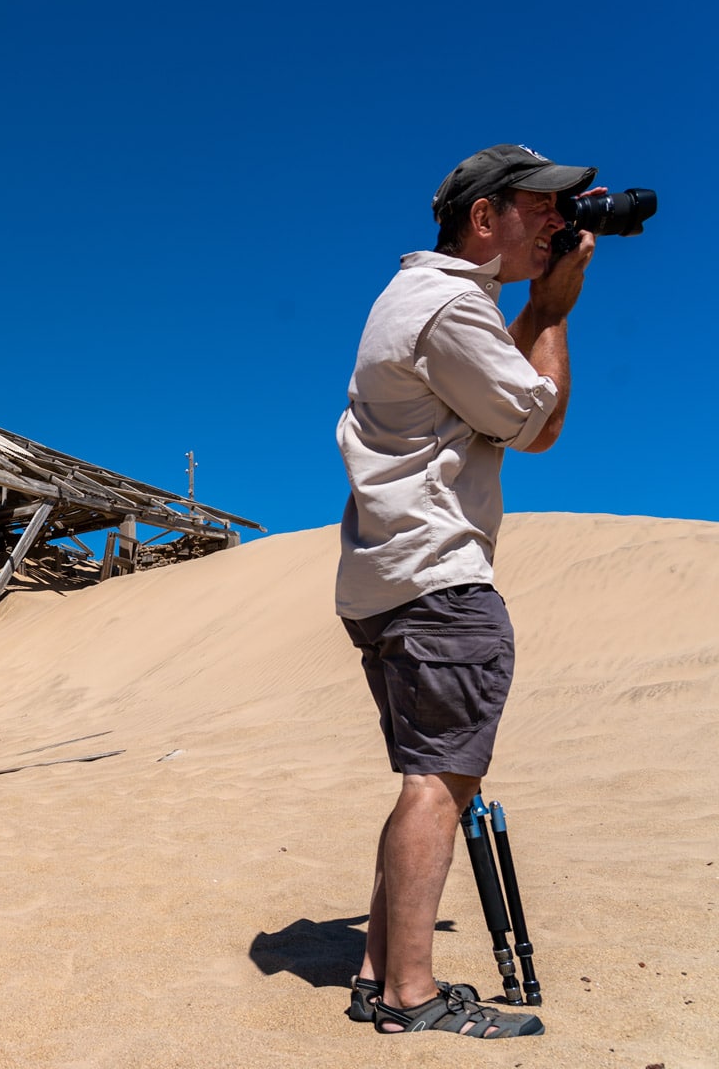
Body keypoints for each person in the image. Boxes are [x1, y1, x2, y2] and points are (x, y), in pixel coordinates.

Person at [335, 144, 602, 1038]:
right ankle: (412, 995)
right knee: (441, 786)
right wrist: (554, 310)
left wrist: (524, 309)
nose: (559, 225)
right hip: (441, 579)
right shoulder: (454, 305)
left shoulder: (414, 297)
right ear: (483, 220)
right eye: (542, 210)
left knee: (422, 781)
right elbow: (537, 422)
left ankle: (379, 975)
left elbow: (496, 397)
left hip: (385, 582)